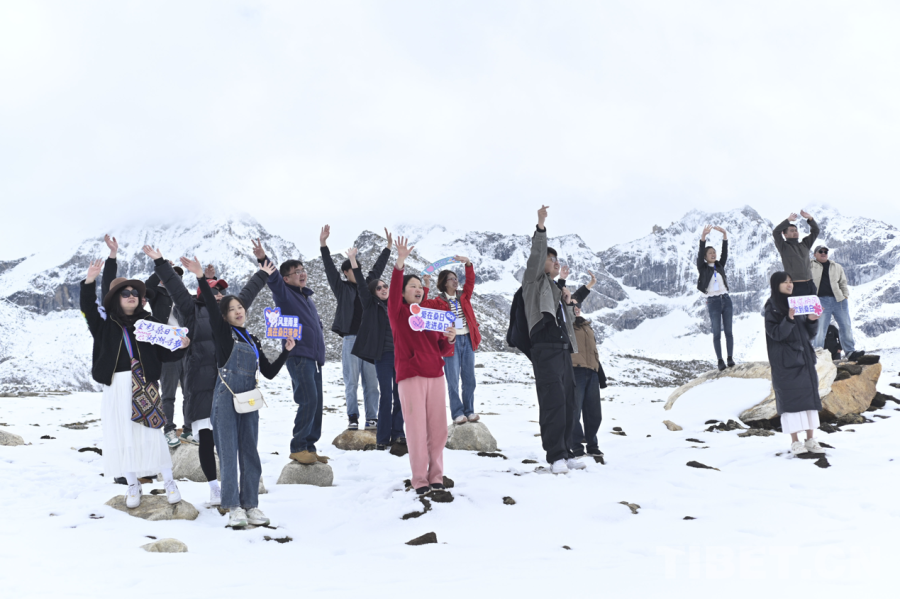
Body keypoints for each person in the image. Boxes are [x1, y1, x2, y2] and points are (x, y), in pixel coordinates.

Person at [145, 245, 269, 506]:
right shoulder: (190, 310)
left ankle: (234, 487)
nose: (220, 294)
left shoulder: (228, 316)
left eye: (221, 291)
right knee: (206, 438)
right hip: (201, 384)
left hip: (229, 385)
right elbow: (176, 289)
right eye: (214, 291)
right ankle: (214, 488)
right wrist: (160, 263)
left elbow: (247, 294)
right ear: (203, 295)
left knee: (230, 438)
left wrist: (262, 274)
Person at [183, 256, 292, 528]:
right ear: (224, 316)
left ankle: (251, 505)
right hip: (226, 399)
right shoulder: (223, 334)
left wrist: (286, 352)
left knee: (250, 451)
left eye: (240, 307)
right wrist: (200, 277)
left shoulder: (252, 339)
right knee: (229, 452)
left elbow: (268, 372)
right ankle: (233, 506)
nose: (238, 311)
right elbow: (211, 305)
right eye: (231, 309)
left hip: (250, 399)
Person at [80, 259, 189, 509]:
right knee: (123, 434)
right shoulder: (104, 324)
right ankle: (132, 484)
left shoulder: (149, 323)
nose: (131, 296)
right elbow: (87, 306)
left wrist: (181, 346)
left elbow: (164, 353)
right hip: (116, 384)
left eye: (135, 293)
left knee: (152, 432)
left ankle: (169, 482)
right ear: (116, 299)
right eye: (125, 293)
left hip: (145, 382)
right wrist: (89, 281)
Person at [389, 236, 456, 496]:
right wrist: (400, 263)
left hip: (435, 374)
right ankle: (419, 479)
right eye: (412, 286)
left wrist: (449, 339)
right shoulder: (398, 313)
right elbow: (394, 291)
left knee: (438, 430)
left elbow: (442, 348)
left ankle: (436, 476)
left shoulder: (429, 315)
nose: (418, 289)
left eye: (420, 286)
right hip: (411, 376)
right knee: (416, 429)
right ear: (403, 292)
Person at [253, 240, 327, 465]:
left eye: (303, 270)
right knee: (308, 400)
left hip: (314, 359)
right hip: (299, 357)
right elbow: (274, 279)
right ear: (286, 279)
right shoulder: (284, 294)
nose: (302, 274)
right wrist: (262, 258)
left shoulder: (307, 298)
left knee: (316, 403)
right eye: (297, 272)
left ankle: (310, 447)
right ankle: (298, 447)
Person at [523, 205, 584, 474]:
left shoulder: (557, 290)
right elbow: (537, 256)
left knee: (569, 401)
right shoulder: (533, 282)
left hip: (562, 350)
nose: (555, 261)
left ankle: (568, 451)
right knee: (553, 402)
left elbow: (567, 322)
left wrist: (567, 302)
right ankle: (556, 455)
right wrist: (541, 225)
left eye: (556, 258)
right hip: (544, 349)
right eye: (551, 258)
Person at [320, 226, 390, 431]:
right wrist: (323, 244)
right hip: (351, 339)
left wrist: (388, 248)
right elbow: (329, 268)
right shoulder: (341, 288)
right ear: (345, 272)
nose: (356, 269)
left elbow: (378, 268)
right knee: (351, 383)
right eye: (352, 267)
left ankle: (372, 418)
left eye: (357, 266)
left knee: (372, 383)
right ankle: (352, 417)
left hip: (370, 341)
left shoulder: (367, 286)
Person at [348, 247, 405, 450]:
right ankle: (382, 438)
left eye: (385, 286)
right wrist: (353, 260)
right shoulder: (370, 304)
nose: (383, 289)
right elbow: (362, 284)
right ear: (373, 292)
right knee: (387, 395)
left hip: (400, 356)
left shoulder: (396, 305)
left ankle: (398, 434)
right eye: (378, 288)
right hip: (384, 356)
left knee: (400, 396)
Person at [764, 272, 826, 456]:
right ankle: (795, 441)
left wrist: (812, 321)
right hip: (786, 363)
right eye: (785, 282)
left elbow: (808, 334)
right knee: (791, 402)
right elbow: (776, 334)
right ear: (776, 285)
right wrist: (789, 319)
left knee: (808, 401)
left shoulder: (797, 303)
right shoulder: (772, 307)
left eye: (791, 281)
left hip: (804, 359)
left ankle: (810, 439)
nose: (789, 285)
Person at [420, 255, 482, 425]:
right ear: (444, 282)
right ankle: (457, 413)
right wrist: (426, 285)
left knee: (469, 378)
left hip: (467, 339)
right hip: (451, 342)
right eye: (452, 279)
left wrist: (468, 263)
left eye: (456, 278)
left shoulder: (464, 296)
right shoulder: (438, 301)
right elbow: (422, 307)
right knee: (453, 379)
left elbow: (470, 281)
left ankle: (469, 411)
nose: (456, 281)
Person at [145, 261, 191, 447]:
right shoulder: (157, 294)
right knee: (168, 393)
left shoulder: (184, 296)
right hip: (168, 348)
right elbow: (146, 288)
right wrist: (160, 270)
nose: (174, 278)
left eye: (177, 276)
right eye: (170, 275)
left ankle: (188, 429)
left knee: (189, 392)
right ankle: (169, 429)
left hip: (186, 347)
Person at [567, 284, 605, 459]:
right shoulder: (566, 325)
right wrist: (585, 288)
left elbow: (593, 351)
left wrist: (599, 373)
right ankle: (576, 447)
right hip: (576, 371)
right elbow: (570, 300)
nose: (576, 308)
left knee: (594, 413)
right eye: (572, 306)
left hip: (592, 372)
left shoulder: (586, 326)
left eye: (578, 306)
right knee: (574, 412)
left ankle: (592, 445)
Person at [810, 246, 864, 361]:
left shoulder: (836, 266)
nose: (823, 253)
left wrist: (845, 296)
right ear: (815, 254)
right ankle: (817, 354)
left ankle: (850, 352)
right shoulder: (810, 265)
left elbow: (843, 282)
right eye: (820, 251)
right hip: (820, 300)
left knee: (846, 326)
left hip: (839, 300)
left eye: (825, 251)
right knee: (820, 328)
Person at [697, 225, 734, 370]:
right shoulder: (703, 268)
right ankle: (720, 360)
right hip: (713, 302)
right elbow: (700, 253)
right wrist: (703, 238)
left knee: (729, 332)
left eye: (714, 252)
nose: (713, 254)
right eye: (710, 253)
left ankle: (730, 358)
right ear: (705, 257)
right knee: (717, 333)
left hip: (726, 300)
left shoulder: (720, 265)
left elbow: (725, 253)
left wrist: (724, 235)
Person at [772, 211, 819, 296]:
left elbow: (815, 231)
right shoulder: (784, 247)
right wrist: (788, 220)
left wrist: (810, 218)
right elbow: (775, 232)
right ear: (785, 234)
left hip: (810, 284)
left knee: (814, 305)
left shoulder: (805, 244)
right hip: (795, 285)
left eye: (796, 230)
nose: (795, 232)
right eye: (792, 231)